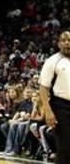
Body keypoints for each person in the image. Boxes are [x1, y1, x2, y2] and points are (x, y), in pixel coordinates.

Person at [39, 29, 70, 162]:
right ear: (58, 44)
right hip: (61, 106)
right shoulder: (52, 61)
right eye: (64, 40)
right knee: (65, 148)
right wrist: (48, 111)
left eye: (69, 40)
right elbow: (43, 88)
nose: (67, 43)